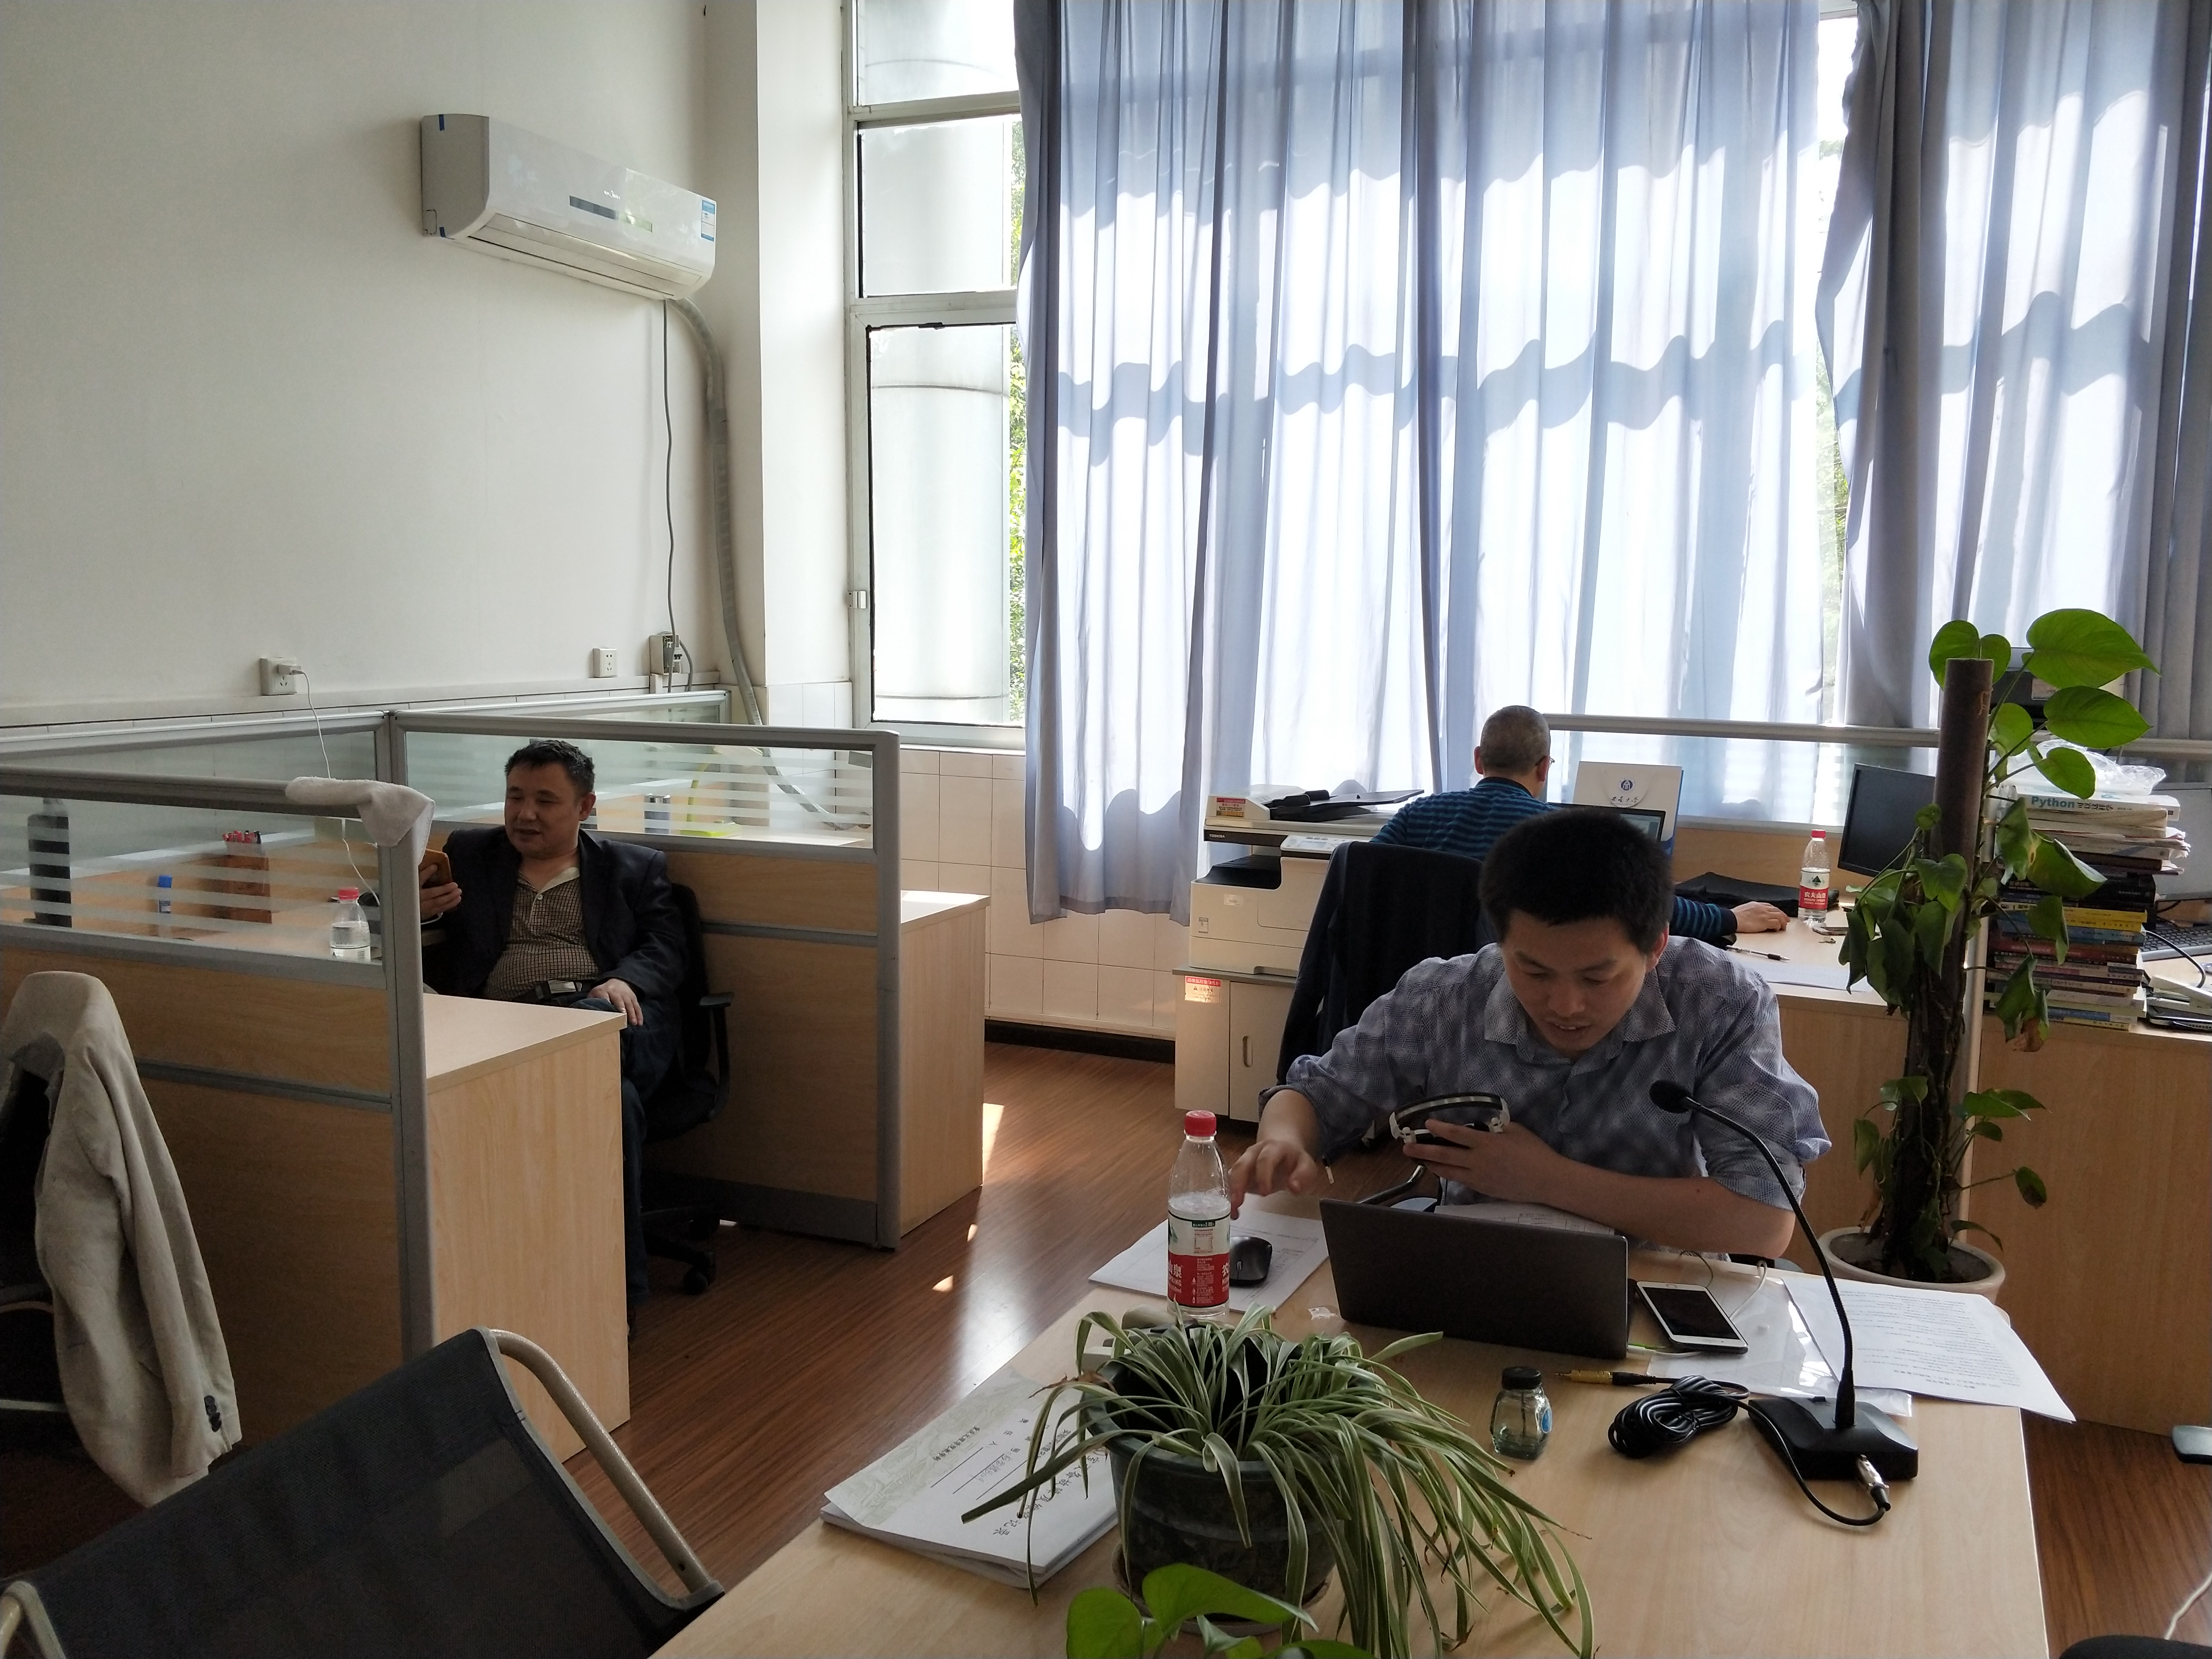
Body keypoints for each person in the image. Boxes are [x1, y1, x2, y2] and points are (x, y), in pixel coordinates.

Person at [1230, 807, 1826, 1258]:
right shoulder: (1445, 997)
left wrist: (1546, 1180)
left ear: (1655, 948)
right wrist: (1283, 1139)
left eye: (1597, 977)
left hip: (1652, 1279)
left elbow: (1763, 1219)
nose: (1565, 1005)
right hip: (1477, 1269)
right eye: (1534, 971)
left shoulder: (1720, 1002)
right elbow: (1313, 1095)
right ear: (1501, 939)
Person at [417, 739, 685, 1320]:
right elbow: (374, 904)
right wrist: (417, 907)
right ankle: (612, 1295)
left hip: (602, 1016)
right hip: (503, 1023)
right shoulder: (470, 853)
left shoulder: (634, 867)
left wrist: (625, 980)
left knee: (591, 1034)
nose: (525, 814)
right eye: (515, 797)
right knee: (613, 1101)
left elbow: (667, 947)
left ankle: (614, 1299)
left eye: (545, 801)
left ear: (585, 806)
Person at [1375, 705, 1789, 944]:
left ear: (1479, 760)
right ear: (1544, 768)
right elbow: (1644, 907)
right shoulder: (1562, 835)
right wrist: (1729, 919)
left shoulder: (1416, 815)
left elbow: (1360, 875)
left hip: (1412, 987)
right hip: (1511, 996)